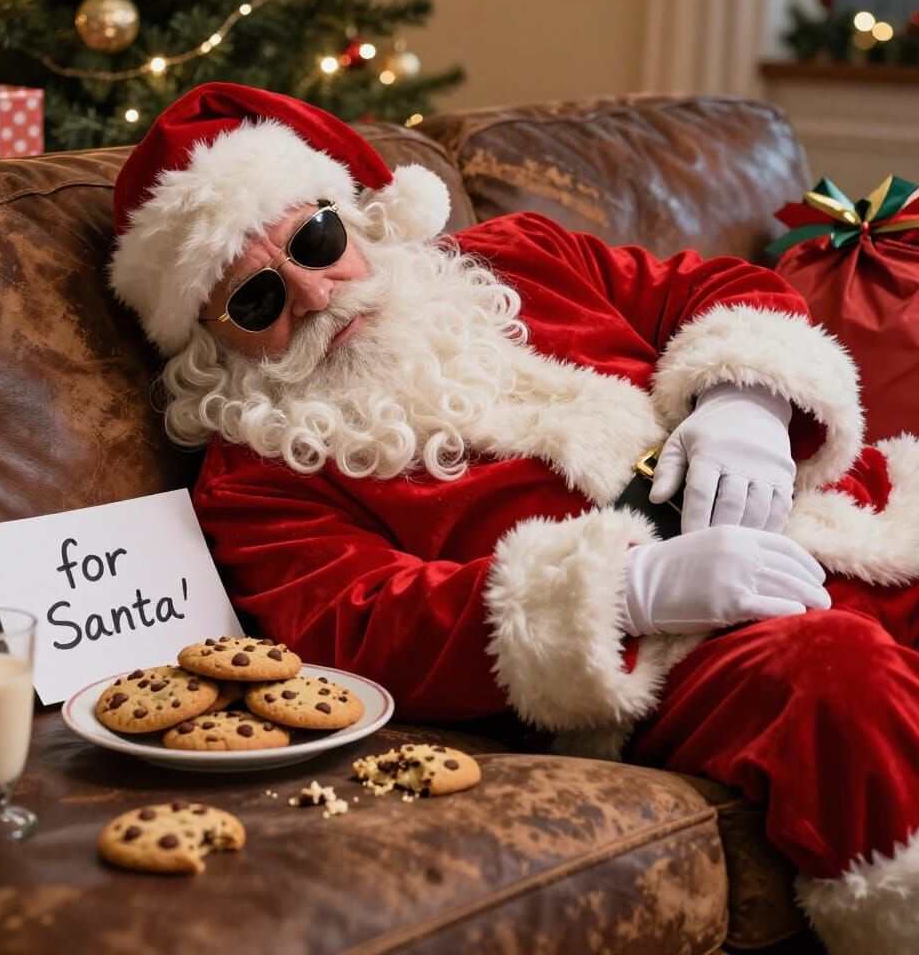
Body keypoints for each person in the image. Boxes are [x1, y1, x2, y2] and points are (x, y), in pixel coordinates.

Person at [109, 82, 919, 955]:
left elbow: (710, 285)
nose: (312, 294)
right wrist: (628, 591)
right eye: (256, 301)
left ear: (357, 216)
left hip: (857, 520)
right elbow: (363, 625)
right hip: (680, 657)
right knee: (834, 672)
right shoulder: (254, 480)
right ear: (211, 341)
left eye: (315, 241)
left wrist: (746, 399)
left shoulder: (524, 253)